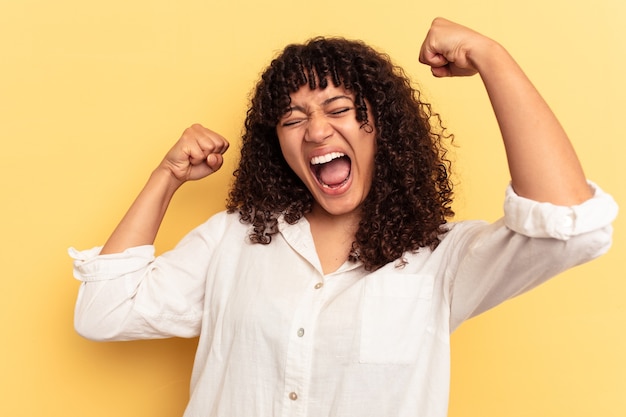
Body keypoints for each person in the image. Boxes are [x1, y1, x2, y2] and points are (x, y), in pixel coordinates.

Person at [70, 17, 617, 417]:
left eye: (338, 110)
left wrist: (492, 56)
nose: (315, 132)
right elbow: (105, 312)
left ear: (384, 129)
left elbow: (573, 225)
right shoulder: (233, 240)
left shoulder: (443, 258)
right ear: (275, 144)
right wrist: (166, 176)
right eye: (292, 118)